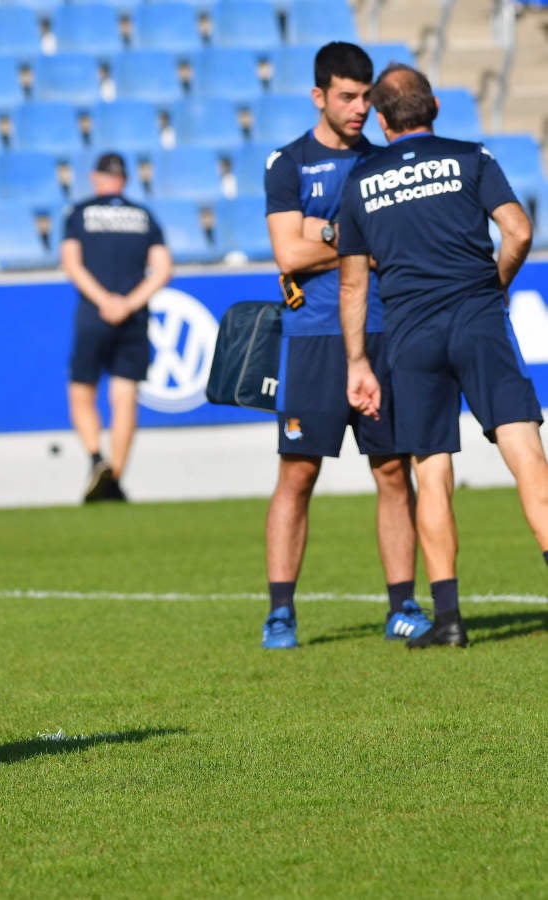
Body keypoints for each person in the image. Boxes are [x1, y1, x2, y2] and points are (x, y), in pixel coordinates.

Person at [339, 63, 548, 648]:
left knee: (431, 473)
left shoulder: (360, 182)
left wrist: (358, 363)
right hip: (477, 320)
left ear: (380, 121)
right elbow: (519, 231)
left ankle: (450, 619)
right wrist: (495, 284)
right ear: (433, 108)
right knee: (527, 456)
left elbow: (354, 286)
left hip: (411, 335)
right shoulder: (471, 157)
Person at [259, 42, 426, 650]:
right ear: (319, 97)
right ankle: (280, 612)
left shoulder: (383, 165)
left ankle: (403, 604)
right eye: (348, 97)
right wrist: (355, 240)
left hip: (382, 332)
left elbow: (383, 246)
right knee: (297, 474)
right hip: (312, 340)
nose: (361, 108)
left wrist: (322, 232)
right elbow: (289, 253)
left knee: (391, 470)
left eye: (366, 97)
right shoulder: (288, 163)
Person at [60, 152, 173, 503]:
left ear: (96, 178)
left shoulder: (79, 213)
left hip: (95, 313)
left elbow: (72, 265)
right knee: (124, 397)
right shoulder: (144, 216)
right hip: (133, 317)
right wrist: (128, 303)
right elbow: (163, 269)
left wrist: (105, 301)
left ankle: (97, 458)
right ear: (125, 179)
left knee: (82, 391)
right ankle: (116, 478)